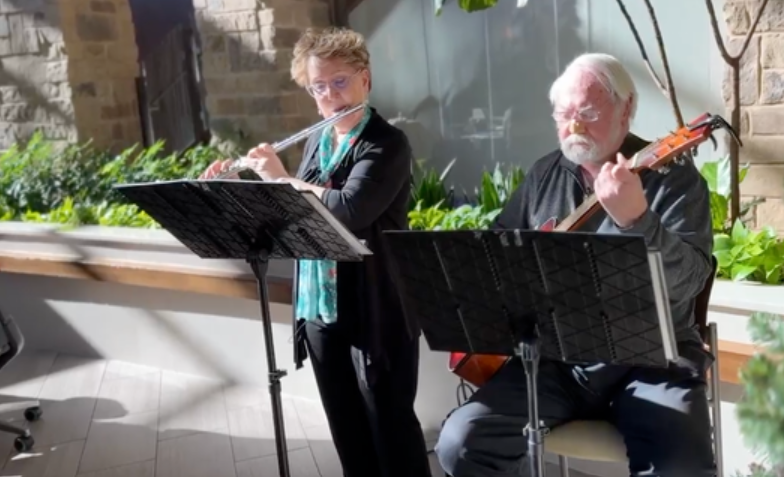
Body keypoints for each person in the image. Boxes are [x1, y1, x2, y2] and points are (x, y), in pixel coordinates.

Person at [434, 53, 716, 477]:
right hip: (561, 363)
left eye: (587, 112)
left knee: (679, 465)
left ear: (627, 109)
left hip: (655, 361)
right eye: (564, 115)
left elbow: (690, 281)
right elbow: (497, 250)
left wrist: (637, 221)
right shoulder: (545, 175)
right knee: (463, 440)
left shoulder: (673, 178)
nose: (574, 126)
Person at [200, 27, 431, 477]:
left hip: (377, 311)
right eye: (318, 87)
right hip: (321, 309)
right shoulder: (317, 144)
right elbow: (288, 211)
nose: (330, 97)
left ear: (365, 79)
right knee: (347, 429)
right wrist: (231, 184)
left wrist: (280, 178)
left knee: (391, 429)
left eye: (340, 82)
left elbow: (349, 211)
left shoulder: (386, 144)